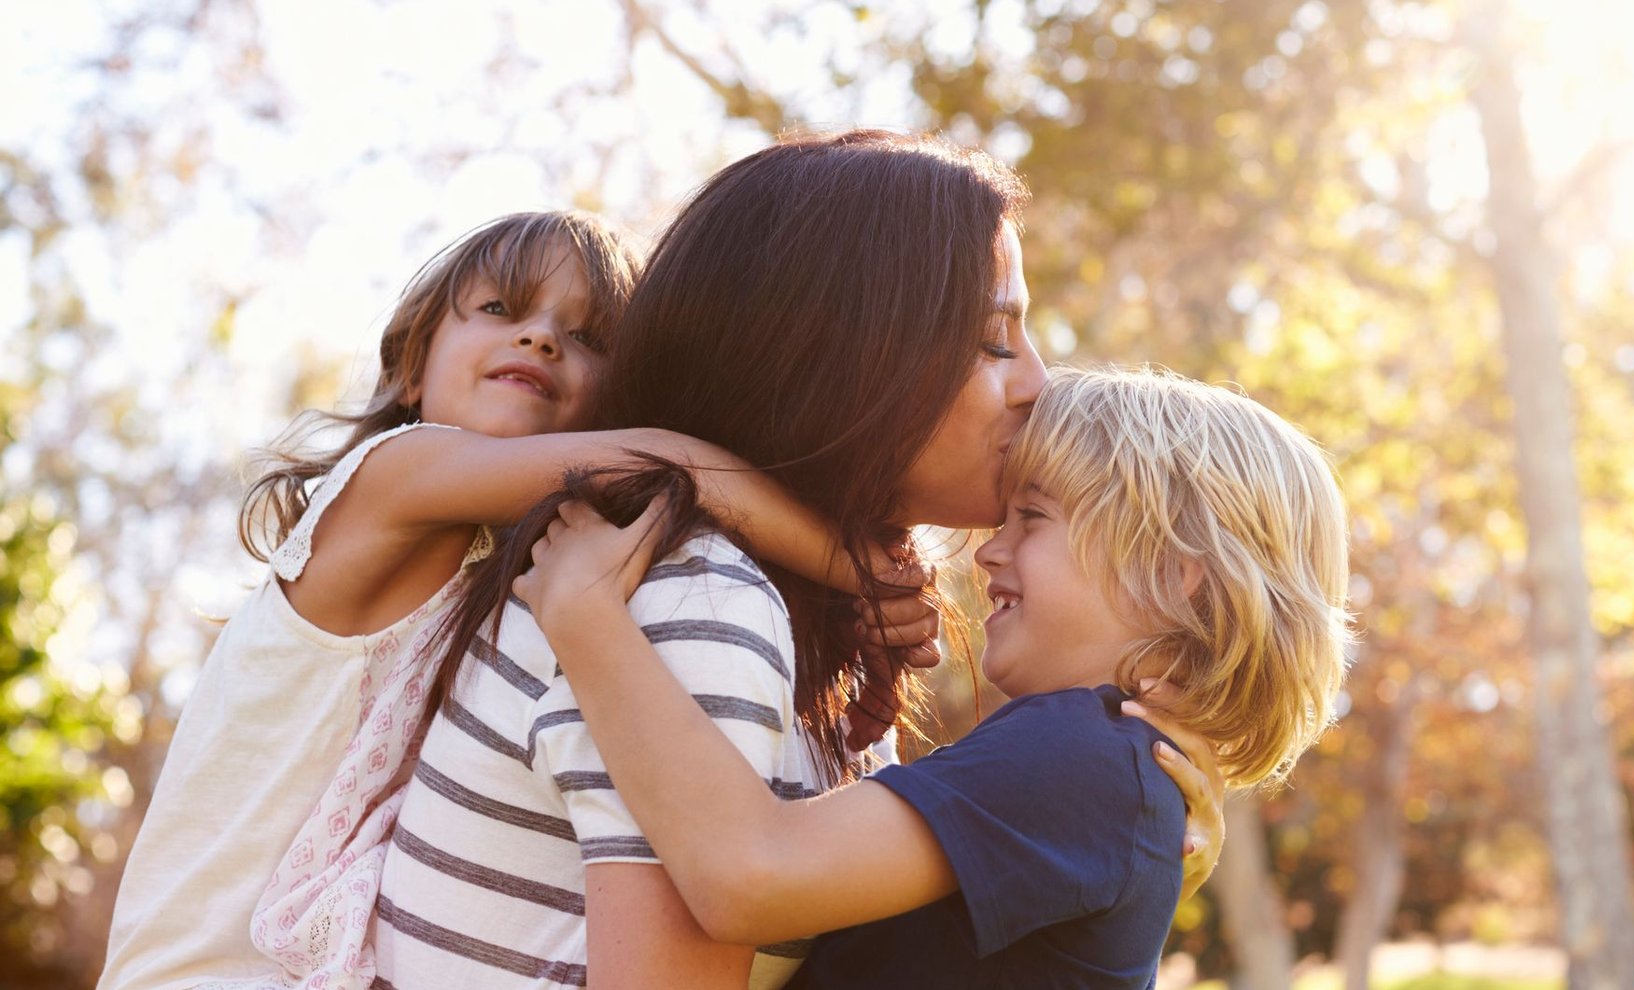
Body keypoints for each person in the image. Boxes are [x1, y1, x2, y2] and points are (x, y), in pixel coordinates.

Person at [367, 132, 1227, 990]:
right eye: (994, 338)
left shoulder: (789, 616)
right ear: (843, 353)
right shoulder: (695, 600)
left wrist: (1114, 840)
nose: (1039, 381)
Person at [97, 211, 932, 990]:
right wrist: (857, 566)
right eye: (502, 308)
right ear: (409, 367)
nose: (540, 336)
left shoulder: (507, 570)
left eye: (588, 337)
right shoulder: (392, 477)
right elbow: (667, 461)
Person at [517, 365, 1353, 989]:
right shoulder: (1110, 770)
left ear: (1175, 576)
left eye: (1033, 518)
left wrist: (586, 614)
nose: (990, 549)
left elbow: (749, 877)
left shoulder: (1082, 756)